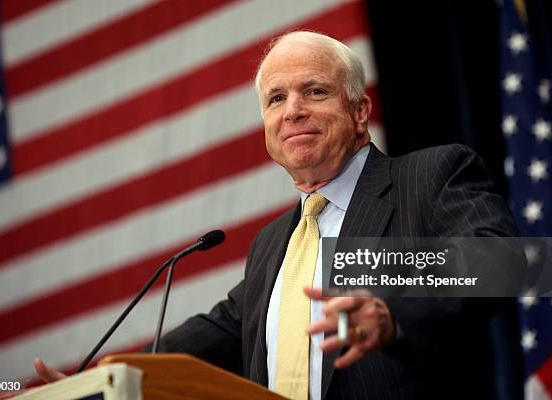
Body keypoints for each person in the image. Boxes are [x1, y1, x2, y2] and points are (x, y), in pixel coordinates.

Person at [31, 31, 519, 399]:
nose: (293, 111)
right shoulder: (273, 244)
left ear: (360, 111)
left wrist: (394, 315)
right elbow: (216, 331)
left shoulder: (430, 176)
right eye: (276, 99)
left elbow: (504, 261)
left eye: (315, 92)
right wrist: (95, 384)